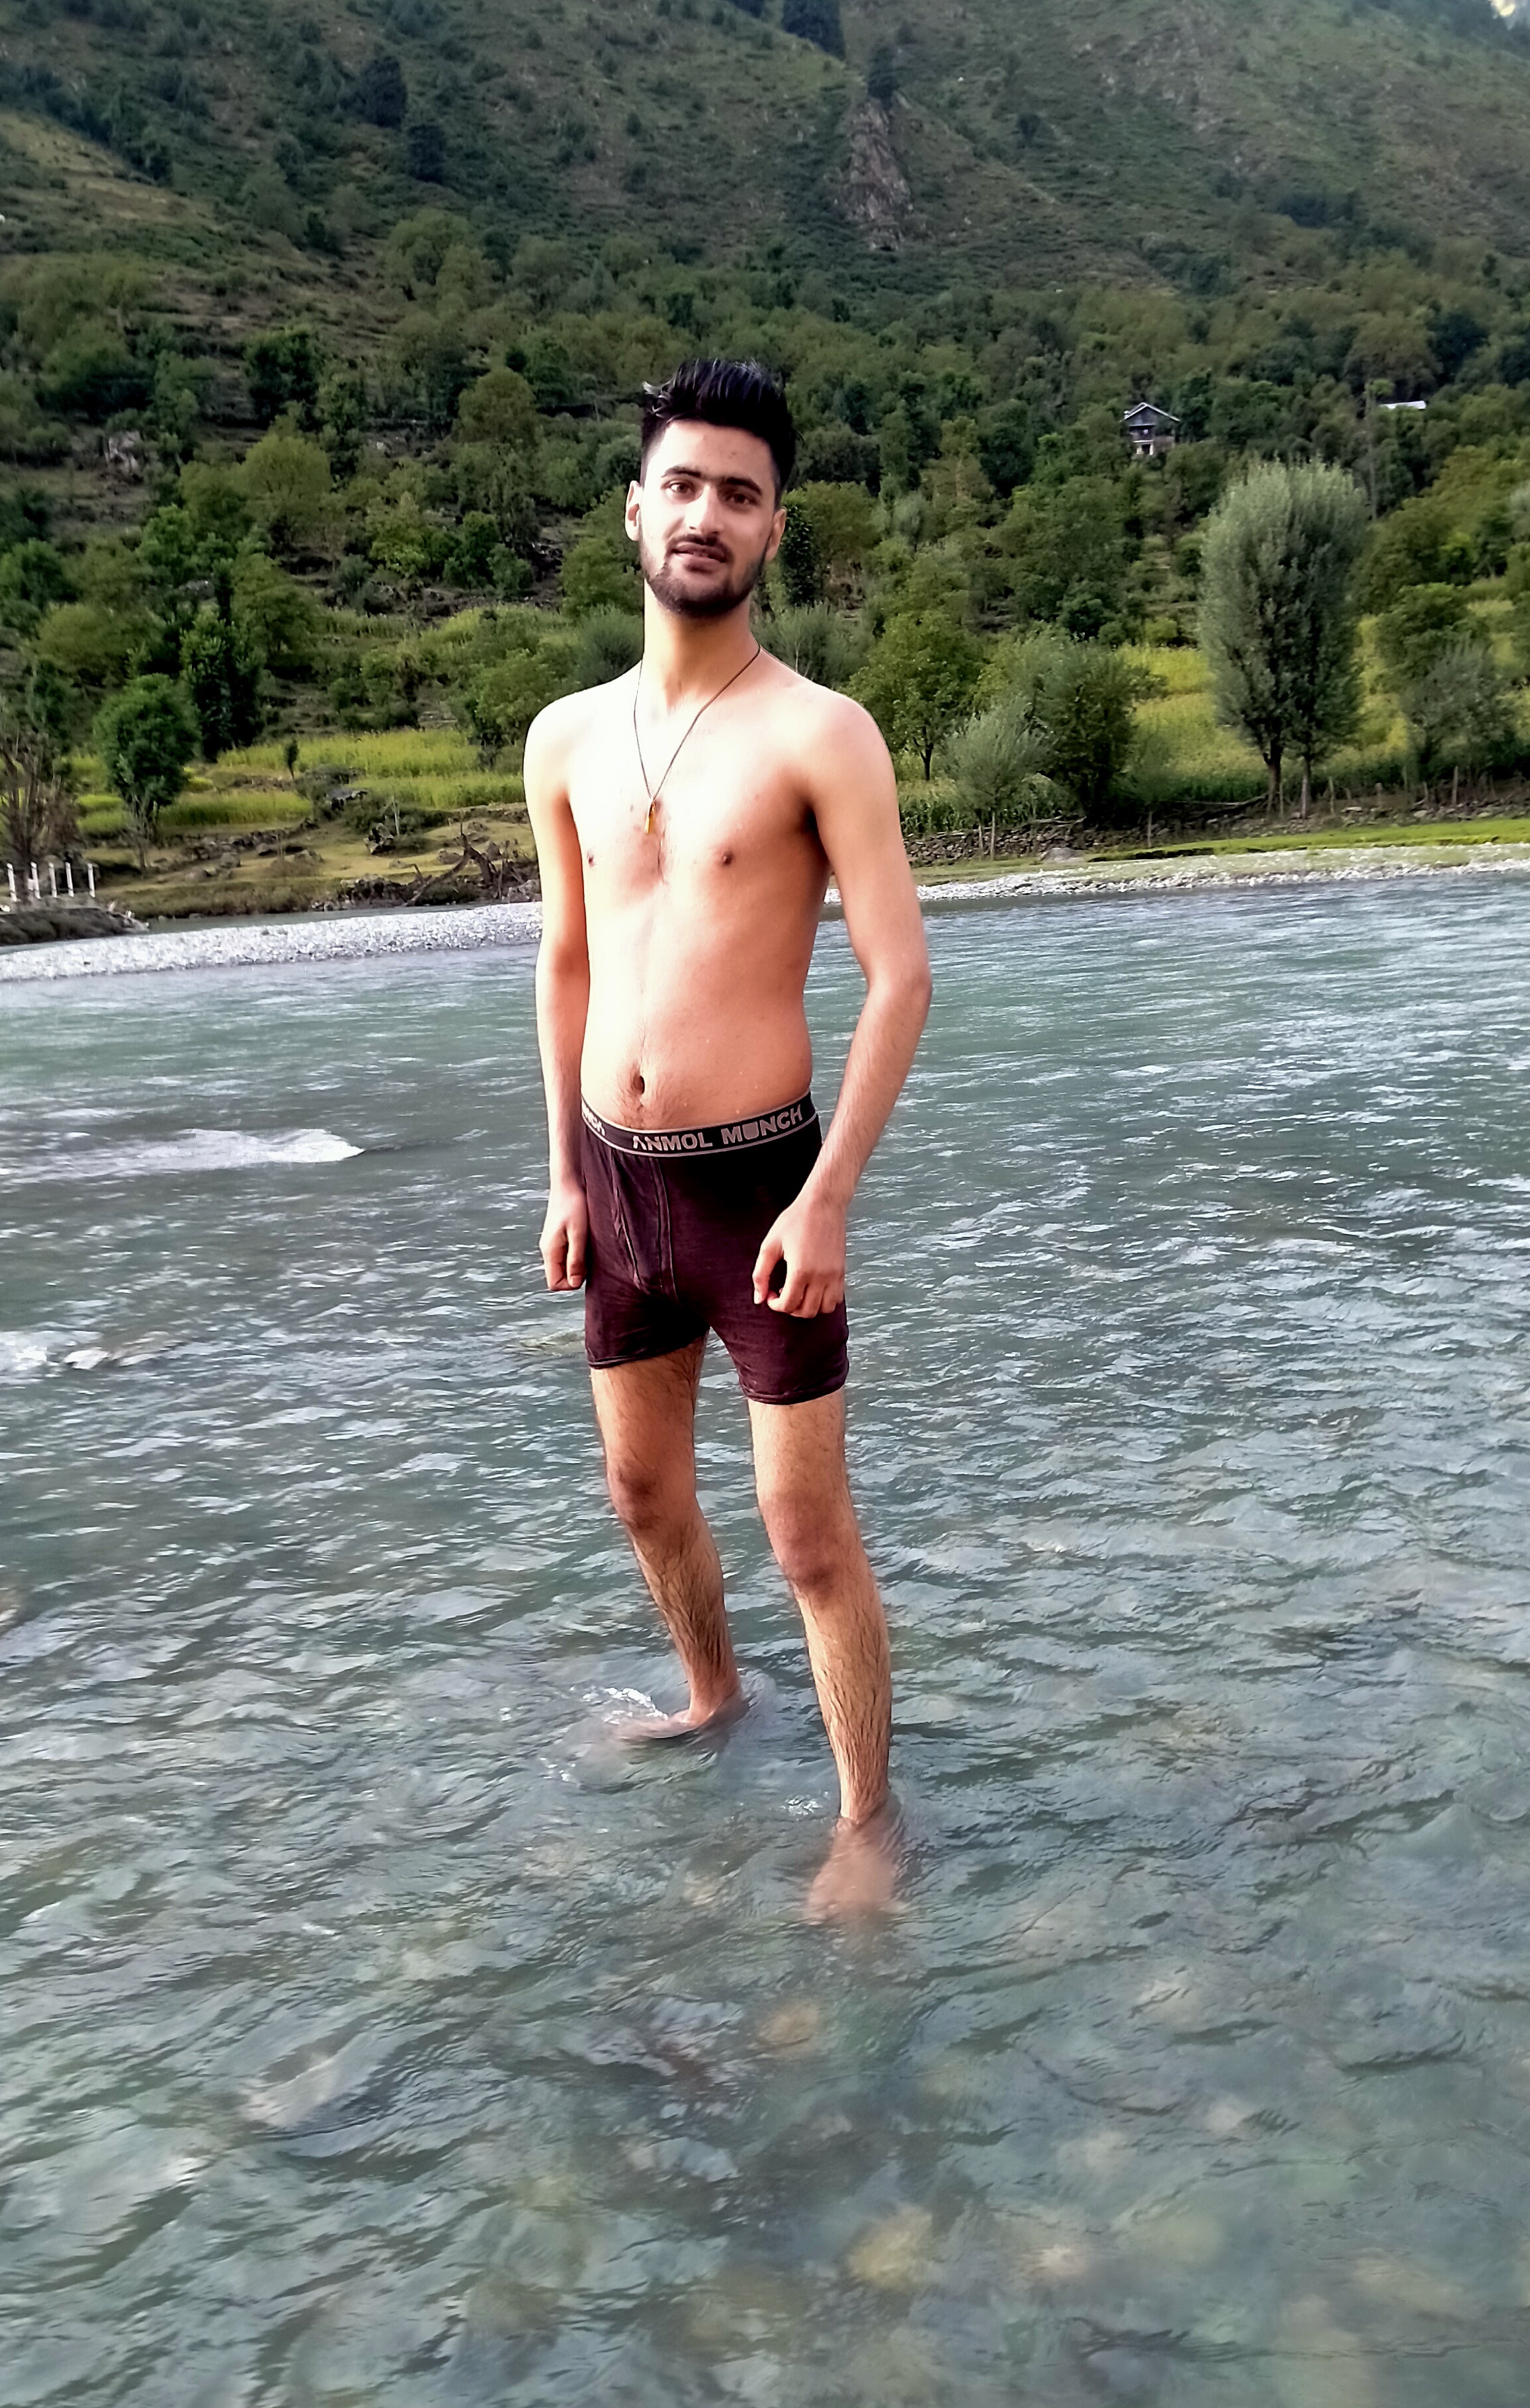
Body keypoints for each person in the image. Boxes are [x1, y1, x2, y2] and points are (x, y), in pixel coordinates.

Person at [524, 358, 931, 1920]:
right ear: (635, 510)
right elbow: (565, 956)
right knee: (642, 1492)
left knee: (804, 1529)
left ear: (774, 529)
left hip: (764, 1185)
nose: (706, 514)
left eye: (739, 495)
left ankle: (868, 1821)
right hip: (616, 1187)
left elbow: (900, 975)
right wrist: (563, 1170)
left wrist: (829, 1198)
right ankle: (712, 1696)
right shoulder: (565, 737)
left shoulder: (823, 732)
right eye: (683, 485)